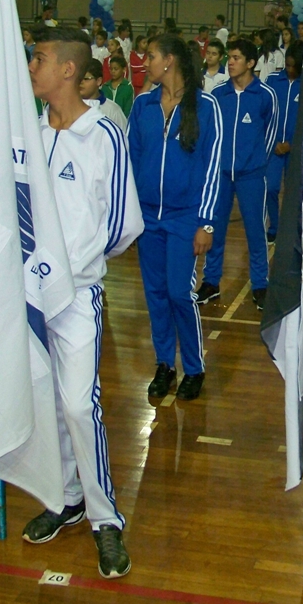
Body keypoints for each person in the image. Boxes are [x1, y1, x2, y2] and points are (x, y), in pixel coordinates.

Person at [21, 26, 142, 581]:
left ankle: (103, 516)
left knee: (77, 405)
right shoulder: (28, 131)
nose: (32, 67)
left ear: (68, 69)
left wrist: (68, 271)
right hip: (27, 296)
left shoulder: (103, 134)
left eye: (39, 59)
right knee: (44, 403)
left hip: (75, 295)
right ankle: (65, 497)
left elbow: (121, 224)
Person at [128, 33, 222, 401]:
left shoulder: (205, 106)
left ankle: (194, 367)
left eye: (149, 56)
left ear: (169, 61)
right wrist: (129, 215)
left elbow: (213, 166)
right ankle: (165, 363)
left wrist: (206, 222)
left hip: (186, 218)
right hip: (148, 218)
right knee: (155, 294)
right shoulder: (143, 105)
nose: (144, 62)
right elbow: (132, 162)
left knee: (178, 292)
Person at [196, 38, 277, 310]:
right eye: (229, 57)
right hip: (220, 176)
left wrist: (254, 163)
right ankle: (211, 282)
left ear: (251, 63)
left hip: (251, 176)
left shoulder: (265, 96)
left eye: (236, 58)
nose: (230, 62)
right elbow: (209, 135)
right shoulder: (218, 95)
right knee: (213, 230)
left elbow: (270, 135)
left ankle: (261, 285)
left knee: (256, 232)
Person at [265, 44, 302, 242]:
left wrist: (292, 143)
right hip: (273, 147)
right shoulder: (272, 81)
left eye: (294, 66)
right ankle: (275, 225)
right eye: (287, 65)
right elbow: (263, 114)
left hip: (295, 149)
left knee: (292, 191)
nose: (289, 70)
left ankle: (290, 227)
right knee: (270, 187)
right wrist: (273, 141)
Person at [79, 58, 126, 130]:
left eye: (86, 78)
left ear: (98, 81)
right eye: (78, 78)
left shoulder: (113, 110)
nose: (80, 82)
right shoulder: (70, 107)